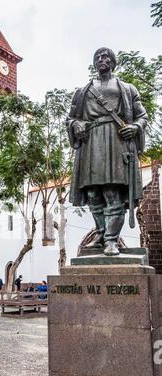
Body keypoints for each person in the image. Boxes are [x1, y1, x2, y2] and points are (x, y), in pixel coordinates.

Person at [67, 48, 148, 256]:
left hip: (116, 140)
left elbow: (142, 116)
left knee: (112, 192)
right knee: (93, 193)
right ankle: (101, 233)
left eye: (105, 57)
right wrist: (76, 125)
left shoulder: (127, 89)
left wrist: (136, 127)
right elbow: (71, 118)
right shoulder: (83, 91)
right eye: (97, 58)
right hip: (91, 143)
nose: (101, 60)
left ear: (113, 62)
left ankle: (111, 240)